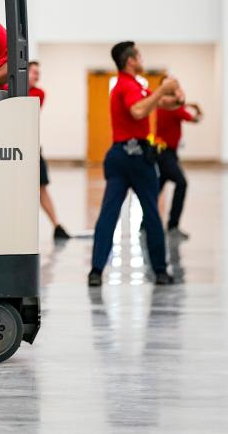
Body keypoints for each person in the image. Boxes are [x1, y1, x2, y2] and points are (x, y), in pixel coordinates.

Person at [88, 41, 180, 287]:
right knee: (150, 213)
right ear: (131, 60)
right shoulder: (126, 86)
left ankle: (96, 271)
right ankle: (160, 271)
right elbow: (138, 112)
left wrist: (177, 97)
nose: (142, 60)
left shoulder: (136, 87)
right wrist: (163, 91)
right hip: (134, 157)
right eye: (139, 56)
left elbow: (163, 104)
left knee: (114, 213)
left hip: (124, 156)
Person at [154, 79, 203, 240]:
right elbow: (194, 119)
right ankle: (173, 225)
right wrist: (198, 110)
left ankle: (144, 224)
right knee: (181, 183)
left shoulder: (162, 105)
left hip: (163, 152)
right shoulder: (172, 108)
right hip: (165, 153)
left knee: (157, 187)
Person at [28, 60, 71, 240]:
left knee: (42, 187)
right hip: (14, 146)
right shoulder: (7, 88)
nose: (37, 76)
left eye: (39, 73)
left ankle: (57, 226)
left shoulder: (39, 93)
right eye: (34, 72)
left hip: (32, 146)